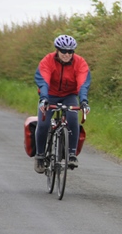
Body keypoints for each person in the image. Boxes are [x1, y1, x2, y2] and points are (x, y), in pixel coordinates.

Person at [34, 34, 91, 174]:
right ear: (57, 50)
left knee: (73, 119)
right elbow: (44, 80)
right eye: (63, 51)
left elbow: (82, 83)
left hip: (69, 96)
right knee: (43, 123)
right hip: (50, 95)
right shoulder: (47, 60)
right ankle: (40, 155)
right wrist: (44, 98)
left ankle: (72, 155)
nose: (67, 54)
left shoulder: (80, 62)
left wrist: (83, 101)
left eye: (70, 51)